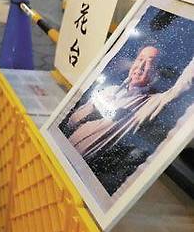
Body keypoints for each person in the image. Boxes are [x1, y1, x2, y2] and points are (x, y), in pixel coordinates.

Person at [66, 46, 194, 165]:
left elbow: (184, 85)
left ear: (157, 73)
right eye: (140, 59)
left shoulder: (149, 104)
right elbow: (71, 122)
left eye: (150, 62)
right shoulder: (110, 89)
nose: (141, 65)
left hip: (80, 169)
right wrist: (93, 107)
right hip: (63, 150)